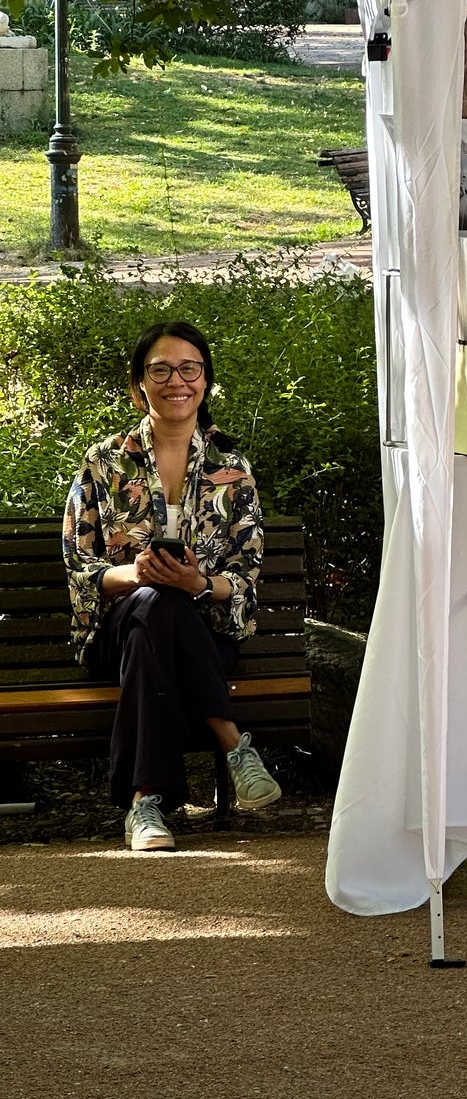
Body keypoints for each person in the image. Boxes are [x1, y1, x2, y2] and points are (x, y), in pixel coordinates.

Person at [62, 322, 282, 852]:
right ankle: (232, 743)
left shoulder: (233, 468)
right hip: (115, 633)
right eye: (160, 369)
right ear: (139, 384)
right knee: (152, 602)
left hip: (205, 633)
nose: (175, 380)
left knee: (161, 613)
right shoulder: (103, 462)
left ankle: (145, 802)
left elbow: (245, 576)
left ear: (205, 381)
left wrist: (199, 582)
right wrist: (133, 575)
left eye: (189, 368)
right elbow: (78, 565)